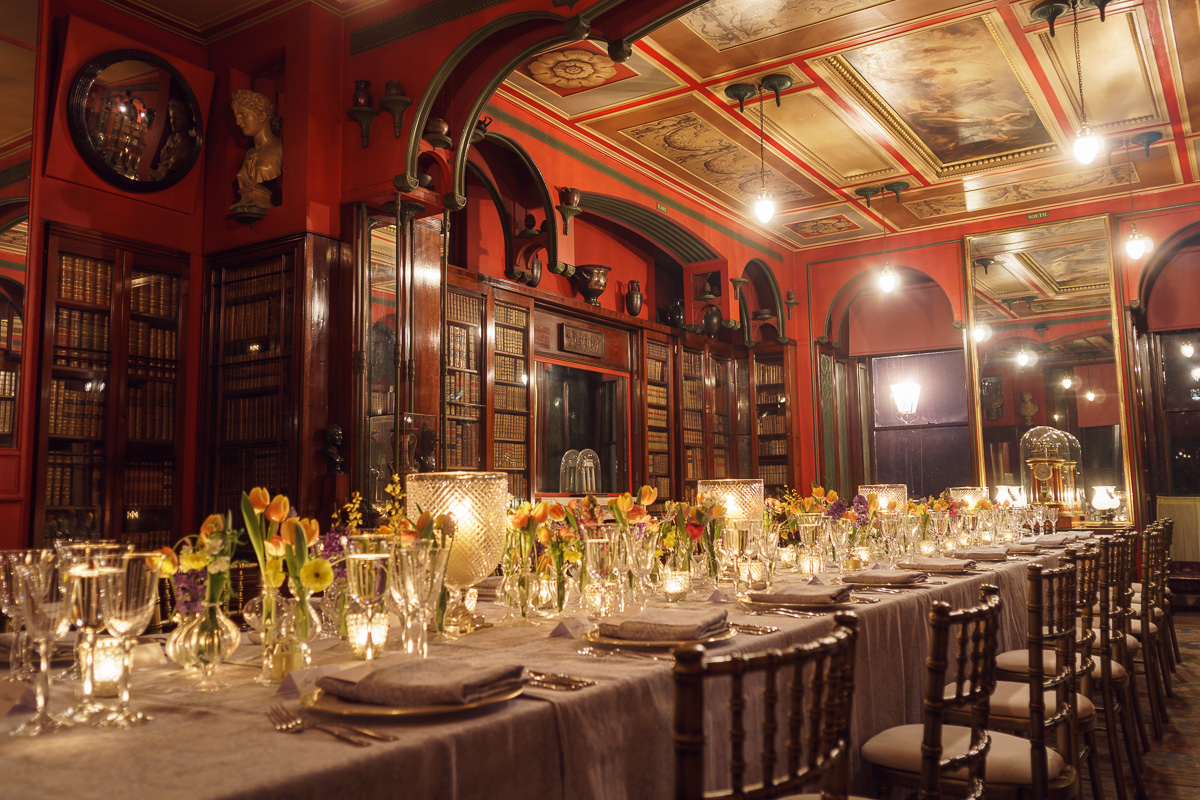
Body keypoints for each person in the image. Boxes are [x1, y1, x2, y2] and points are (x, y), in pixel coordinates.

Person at [230, 89, 282, 210]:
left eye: (243, 115)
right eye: (236, 117)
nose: (238, 122)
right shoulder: (249, 154)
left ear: (262, 116)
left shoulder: (281, 148)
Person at [148, 99, 194, 181]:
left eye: (177, 119)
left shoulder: (189, 146)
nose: (172, 122)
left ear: (186, 121)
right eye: (171, 117)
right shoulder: (170, 138)